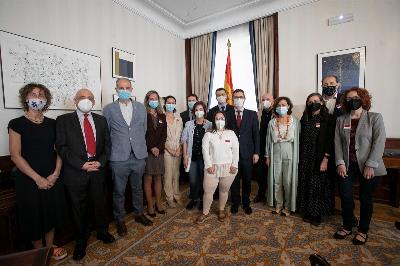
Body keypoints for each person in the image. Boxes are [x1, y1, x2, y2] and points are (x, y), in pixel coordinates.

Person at [8, 83, 67, 261]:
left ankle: (49, 248)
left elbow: (60, 151)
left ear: (46, 100)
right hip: (28, 179)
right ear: (26, 98)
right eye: (33, 94)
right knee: (32, 215)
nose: (37, 98)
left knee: (50, 213)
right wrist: (38, 179)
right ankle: (39, 252)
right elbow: (15, 156)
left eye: (41, 95)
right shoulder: (16, 124)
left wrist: (55, 174)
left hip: (52, 177)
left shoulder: (53, 123)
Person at [56, 88, 115, 261]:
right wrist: (82, 164)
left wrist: (100, 162)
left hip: (97, 170)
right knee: (78, 209)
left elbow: (107, 146)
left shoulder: (101, 120)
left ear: (94, 102)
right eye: (82, 97)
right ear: (75, 100)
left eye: (90, 98)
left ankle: (103, 232)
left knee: (100, 203)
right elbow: (61, 147)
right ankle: (81, 242)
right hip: (76, 172)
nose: (86, 100)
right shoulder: (63, 120)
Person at [333, 87, 386, 245]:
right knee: (346, 196)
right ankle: (348, 225)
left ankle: (363, 230)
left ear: (363, 99)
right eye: (348, 98)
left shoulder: (374, 118)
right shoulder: (341, 120)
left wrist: (371, 164)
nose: (352, 100)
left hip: (368, 166)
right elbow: (337, 143)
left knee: (365, 198)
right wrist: (340, 162)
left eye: (355, 97)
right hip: (347, 165)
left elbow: (379, 142)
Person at [103, 78, 153, 238]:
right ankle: (119, 219)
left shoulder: (140, 108)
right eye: (121, 87)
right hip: (119, 158)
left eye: (127, 87)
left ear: (132, 89)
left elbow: (143, 129)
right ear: (116, 89)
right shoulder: (109, 109)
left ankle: (139, 213)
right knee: (119, 191)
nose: (124, 90)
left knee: (137, 188)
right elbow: (107, 133)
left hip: (138, 156)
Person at [297, 93, 335, 226]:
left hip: (319, 157)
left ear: (322, 102)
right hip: (305, 156)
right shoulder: (305, 118)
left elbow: (330, 141)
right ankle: (307, 210)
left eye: (316, 101)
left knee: (317, 185)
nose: (313, 103)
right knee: (306, 183)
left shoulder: (328, 119)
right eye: (310, 101)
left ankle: (317, 214)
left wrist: (325, 159)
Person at [195, 111, 239, 223]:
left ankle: (221, 210)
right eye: (217, 118)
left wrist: (234, 165)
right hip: (212, 167)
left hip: (229, 167)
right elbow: (205, 152)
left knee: (224, 190)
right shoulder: (208, 134)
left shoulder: (231, 133)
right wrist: (209, 166)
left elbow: (236, 151)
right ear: (214, 121)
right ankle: (205, 212)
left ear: (225, 120)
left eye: (222, 118)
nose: (220, 121)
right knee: (208, 191)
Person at [265, 96, 300, 216]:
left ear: (288, 106)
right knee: (277, 180)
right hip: (275, 153)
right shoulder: (272, 122)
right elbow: (268, 141)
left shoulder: (295, 121)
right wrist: (267, 156)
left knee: (288, 181)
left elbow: (299, 140)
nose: (281, 107)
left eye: (284, 105)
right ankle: (278, 204)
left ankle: (288, 206)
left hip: (290, 152)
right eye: (279, 105)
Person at [229, 89, 260, 215]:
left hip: (248, 153)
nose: (238, 99)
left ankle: (246, 202)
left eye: (240, 97)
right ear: (232, 99)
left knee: (247, 179)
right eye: (236, 97)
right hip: (232, 154)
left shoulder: (252, 114)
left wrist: (256, 152)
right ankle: (235, 202)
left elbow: (256, 135)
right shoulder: (228, 114)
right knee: (234, 180)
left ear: (244, 98)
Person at [181, 101, 212, 210]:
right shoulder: (189, 124)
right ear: (194, 112)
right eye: (197, 110)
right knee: (193, 180)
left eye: (201, 109)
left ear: (204, 111)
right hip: (192, 157)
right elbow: (184, 140)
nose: (199, 112)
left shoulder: (210, 124)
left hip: (205, 158)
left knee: (205, 180)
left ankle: (204, 200)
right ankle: (194, 199)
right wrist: (185, 156)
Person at [143, 90, 167, 216]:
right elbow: (142, 134)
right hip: (147, 152)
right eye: (151, 99)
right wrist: (151, 147)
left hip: (159, 152)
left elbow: (164, 135)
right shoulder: (143, 114)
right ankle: (150, 205)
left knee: (158, 178)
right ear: (147, 100)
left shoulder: (162, 116)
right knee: (148, 178)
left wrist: (158, 147)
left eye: (155, 98)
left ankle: (158, 203)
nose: (153, 101)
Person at [254, 93, 274, 204]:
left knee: (272, 175)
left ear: (273, 100)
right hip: (261, 148)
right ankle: (261, 194)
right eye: (263, 99)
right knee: (260, 174)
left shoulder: (276, 113)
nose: (265, 101)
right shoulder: (260, 114)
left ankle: (273, 196)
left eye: (268, 99)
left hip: (273, 149)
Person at [163, 95, 183, 208]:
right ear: (165, 104)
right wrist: (169, 149)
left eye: (173, 102)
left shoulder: (179, 119)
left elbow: (181, 136)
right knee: (168, 174)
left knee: (176, 173)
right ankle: (169, 197)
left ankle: (177, 195)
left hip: (178, 149)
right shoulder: (161, 118)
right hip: (167, 149)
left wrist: (179, 148)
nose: (171, 104)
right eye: (168, 102)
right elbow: (160, 138)